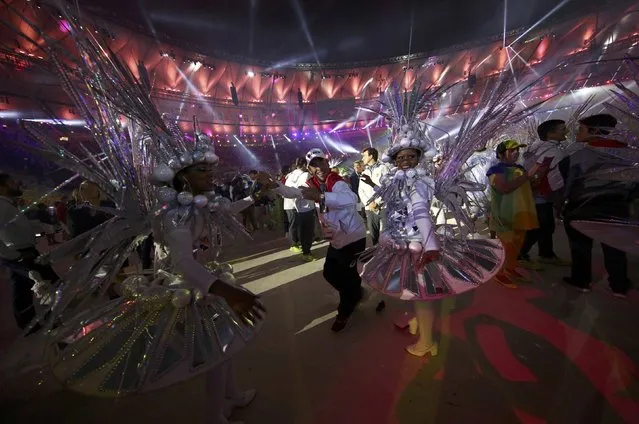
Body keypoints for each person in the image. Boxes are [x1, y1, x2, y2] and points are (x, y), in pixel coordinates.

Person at [562, 114, 633, 297]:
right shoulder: (629, 153)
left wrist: (563, 203)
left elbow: (569, 184)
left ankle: (581, 280)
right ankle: (619, 285)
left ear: (594, 131)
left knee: (580, 246)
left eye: (581, 129)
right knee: (615, 246)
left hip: (583, 205)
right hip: (616, 205)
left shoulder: (580, 155)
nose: (577, 133)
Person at [0, 173, 59, 329]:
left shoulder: (8, 204)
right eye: (12, 182)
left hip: (24, 252)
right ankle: (45, 319)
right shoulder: (2, 205)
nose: (16, 183)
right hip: (20, 254)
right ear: (2, 187)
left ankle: (30, 323)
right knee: (45, 283)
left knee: (25, 289)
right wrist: (13, 256)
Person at [487, 140, 542, 288]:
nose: (516, 153)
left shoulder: (520, 168)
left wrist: (535, 177)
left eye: (517, 150)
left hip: (522, 213)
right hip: (505, 215)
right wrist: (527, 176)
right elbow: (504, 188)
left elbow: (525, 186)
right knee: (506, 246)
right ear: (500, 154)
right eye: (511, 150)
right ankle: (499, 273)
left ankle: (510, 268)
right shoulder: (496, 170)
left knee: (517, 244)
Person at [518, 120, 571, 269]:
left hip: (542, 194)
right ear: (550, 134)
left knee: (547, 225)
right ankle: (520, 255)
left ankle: (546, 254)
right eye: (562, 129)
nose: (566, 131)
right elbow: (537, 172)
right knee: (541, 225)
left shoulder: (539, 147)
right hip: (540, 193)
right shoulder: (550, 150)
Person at [284, 158, 316, 261]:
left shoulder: (292, 174)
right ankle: (305, 252)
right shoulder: (304, 175)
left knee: (302, 229)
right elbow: (301, 190)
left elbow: (288, 189)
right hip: (304, 206)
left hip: (296, 205)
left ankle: (304, 249)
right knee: (305, 230)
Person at [359, 147, 388, 245]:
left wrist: (377, 202)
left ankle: (387, 255)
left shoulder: (383, 168)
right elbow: (361, 191)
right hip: (370, 209)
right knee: (373, 235)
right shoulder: (364, 172)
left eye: (364, 156)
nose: (362, 159)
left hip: (383, 206)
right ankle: (376, 255)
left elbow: (387, 187)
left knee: (386, 234)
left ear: (371, 156)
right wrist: (369, 203)